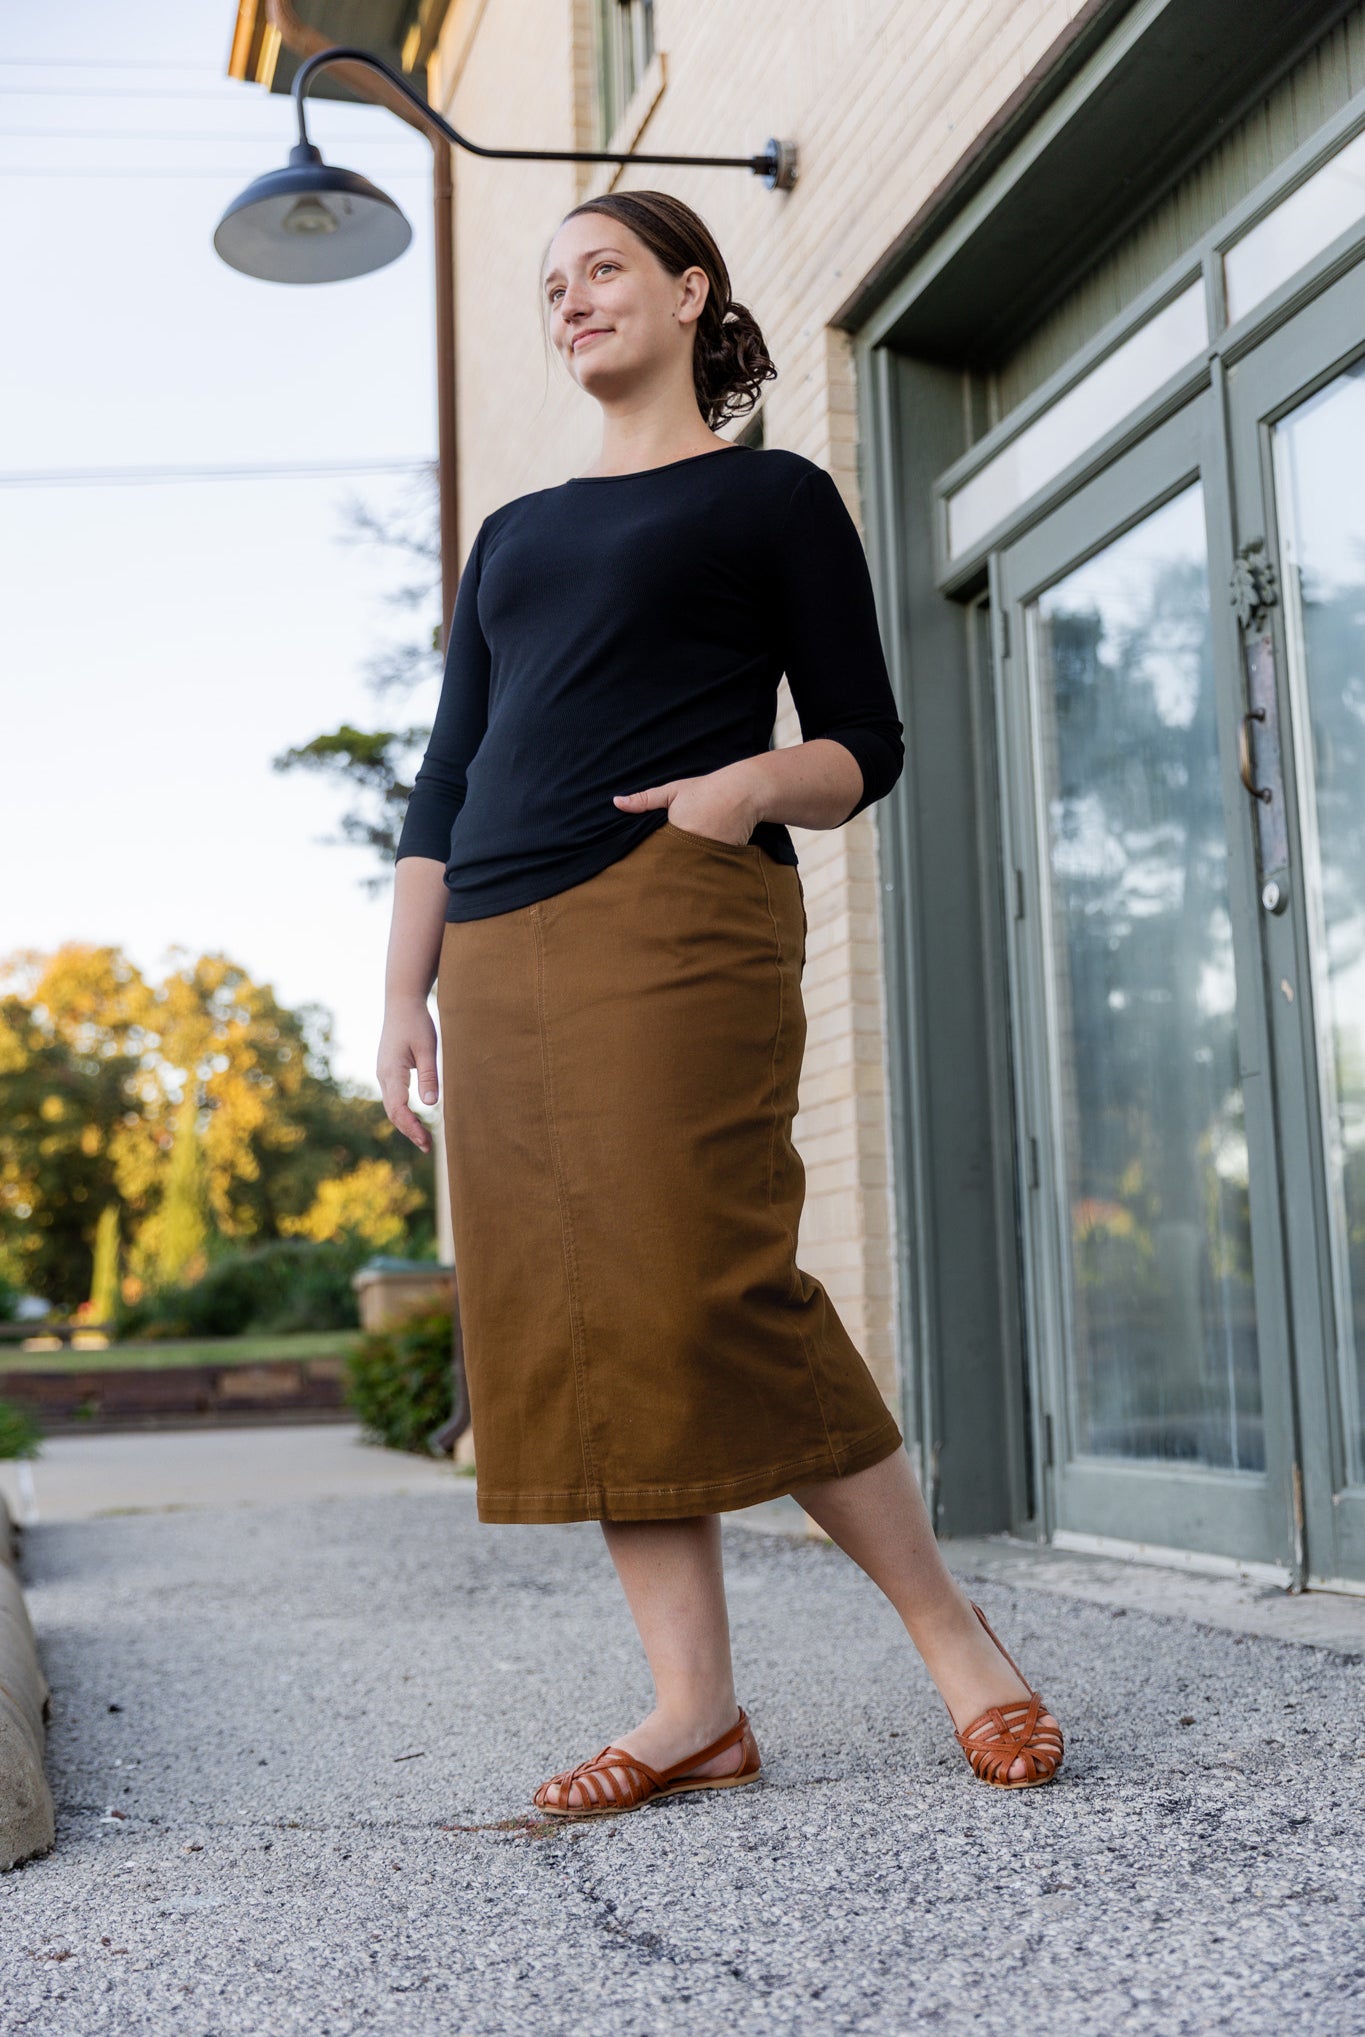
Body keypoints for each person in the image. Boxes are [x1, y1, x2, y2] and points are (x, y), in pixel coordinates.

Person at [377, 190, 1063, 1816]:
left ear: (691, 291)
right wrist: (403, 990)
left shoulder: (769, 495)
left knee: (706, 1282)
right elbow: (445, 770)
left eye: (601, 268)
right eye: (549, 285)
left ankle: (955, 1638)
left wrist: (739, 791)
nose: (570, 300)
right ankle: (693, 1706)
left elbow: (862, 744)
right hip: (498, 939)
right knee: (579, 1312)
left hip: (672, 912)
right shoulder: (514, 537)